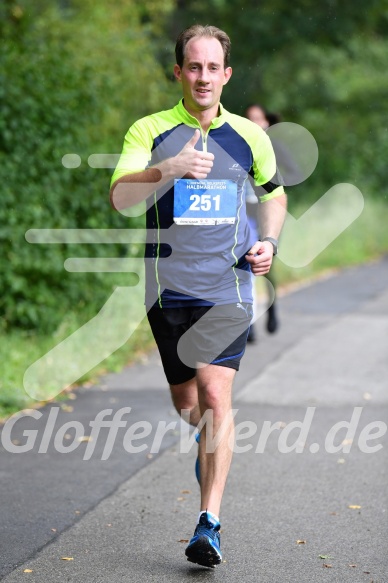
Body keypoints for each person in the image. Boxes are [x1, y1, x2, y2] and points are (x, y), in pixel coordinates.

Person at [109, 25, 287, 568]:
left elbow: (274, 196)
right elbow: (120, 199)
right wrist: (171, 168)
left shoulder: (249, 136)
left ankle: (208, 523)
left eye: (213, 68)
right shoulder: (150, 130)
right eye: (194, 67)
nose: (203, 77)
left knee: (215, 397)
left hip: (228, 286)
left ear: (226, 75)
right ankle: (208, 452)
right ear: (179, 72)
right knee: (189, 406)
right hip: (167, 289)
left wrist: (269, 244)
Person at [245, 104, 281, 339]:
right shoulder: (237, 141)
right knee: (244, 265)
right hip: (244, 210)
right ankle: (248, 324)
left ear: (267, 121)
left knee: (266, 265)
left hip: (267, 210)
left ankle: (273, 311)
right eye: (250, 119)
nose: (254, 123)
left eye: (258, 118)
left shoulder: (273, 148)